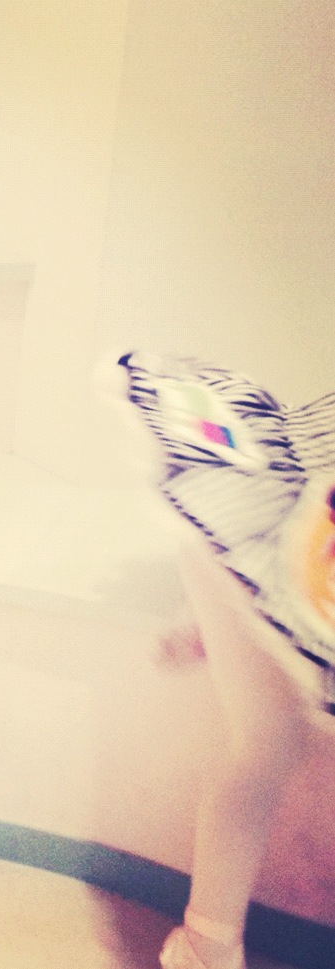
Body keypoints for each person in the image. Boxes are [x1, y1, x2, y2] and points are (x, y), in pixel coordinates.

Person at [117, 352, 335, 969]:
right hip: (279, 522)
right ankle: (206, 946)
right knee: (270, 744)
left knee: (270, 741)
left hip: (280, 532)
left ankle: (207, 616)